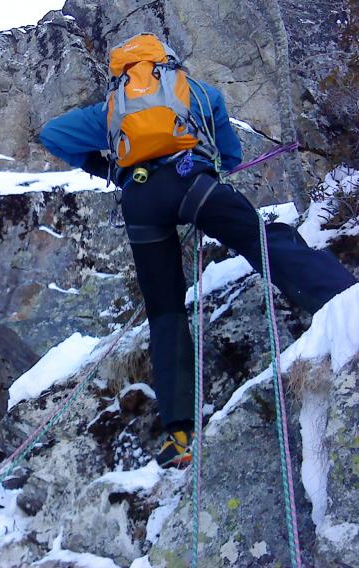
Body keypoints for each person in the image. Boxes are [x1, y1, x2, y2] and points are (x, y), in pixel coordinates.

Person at [39, 33, 357, 469]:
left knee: (166, 310)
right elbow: (230, 154)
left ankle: (179, 434)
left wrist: (109, 167)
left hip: (141, 199)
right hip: (197, 186)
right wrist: (209, 165)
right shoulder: (197, 92)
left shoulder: (111, 108)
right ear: (167, 61)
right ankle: (344, 300)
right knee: (262, 242)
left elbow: (51, 134)